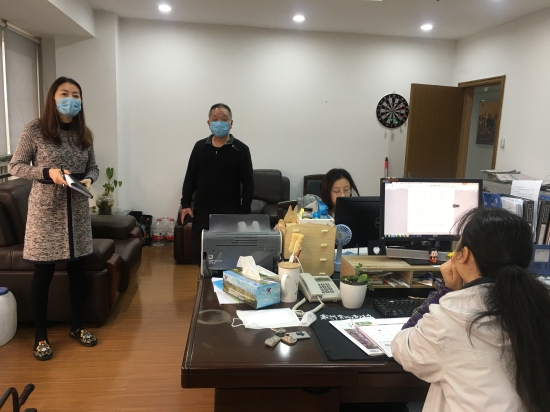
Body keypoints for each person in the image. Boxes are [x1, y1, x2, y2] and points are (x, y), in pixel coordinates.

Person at [391, 208, 550, 411]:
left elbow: (403, 346)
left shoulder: (452, 319)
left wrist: (445, 291)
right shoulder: (540, 307)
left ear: (464, 255)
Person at [8, 77, 100, 361]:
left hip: (77, 211)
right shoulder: (36, 129)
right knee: (43, 275)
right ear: (53, 98)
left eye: (76, 95)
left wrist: (89, 179)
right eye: (64, 93)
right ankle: (40, 337)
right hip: (45, 213)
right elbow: (15, 165)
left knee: (77, 273)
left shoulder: (84, 133)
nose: (70, 99)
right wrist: (47, 173)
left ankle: (77, 327)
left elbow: (94, 168)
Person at [180, 103, 254, 264]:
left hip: (229, 214)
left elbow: (249, 184)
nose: (219, 123)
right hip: (202, 212)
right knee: (200, 256)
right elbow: (190, 176)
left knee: (228, 259)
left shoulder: (241, 150)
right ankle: (204, 281)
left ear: (231, 123)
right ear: (208, 123)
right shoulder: (199, 147)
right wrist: (185, 203)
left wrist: (244, 212)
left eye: (224, 119)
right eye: (215, 119)